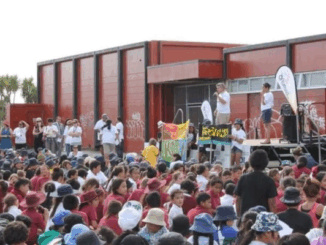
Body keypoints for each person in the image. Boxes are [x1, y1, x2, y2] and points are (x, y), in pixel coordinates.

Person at [234, 149, 277, 216]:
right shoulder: (269, 180)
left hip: (246, 218)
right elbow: (272, 203)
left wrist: (239, 217)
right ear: (265, 162)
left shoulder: (243, 178)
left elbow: (238, 200)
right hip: (263, 219)